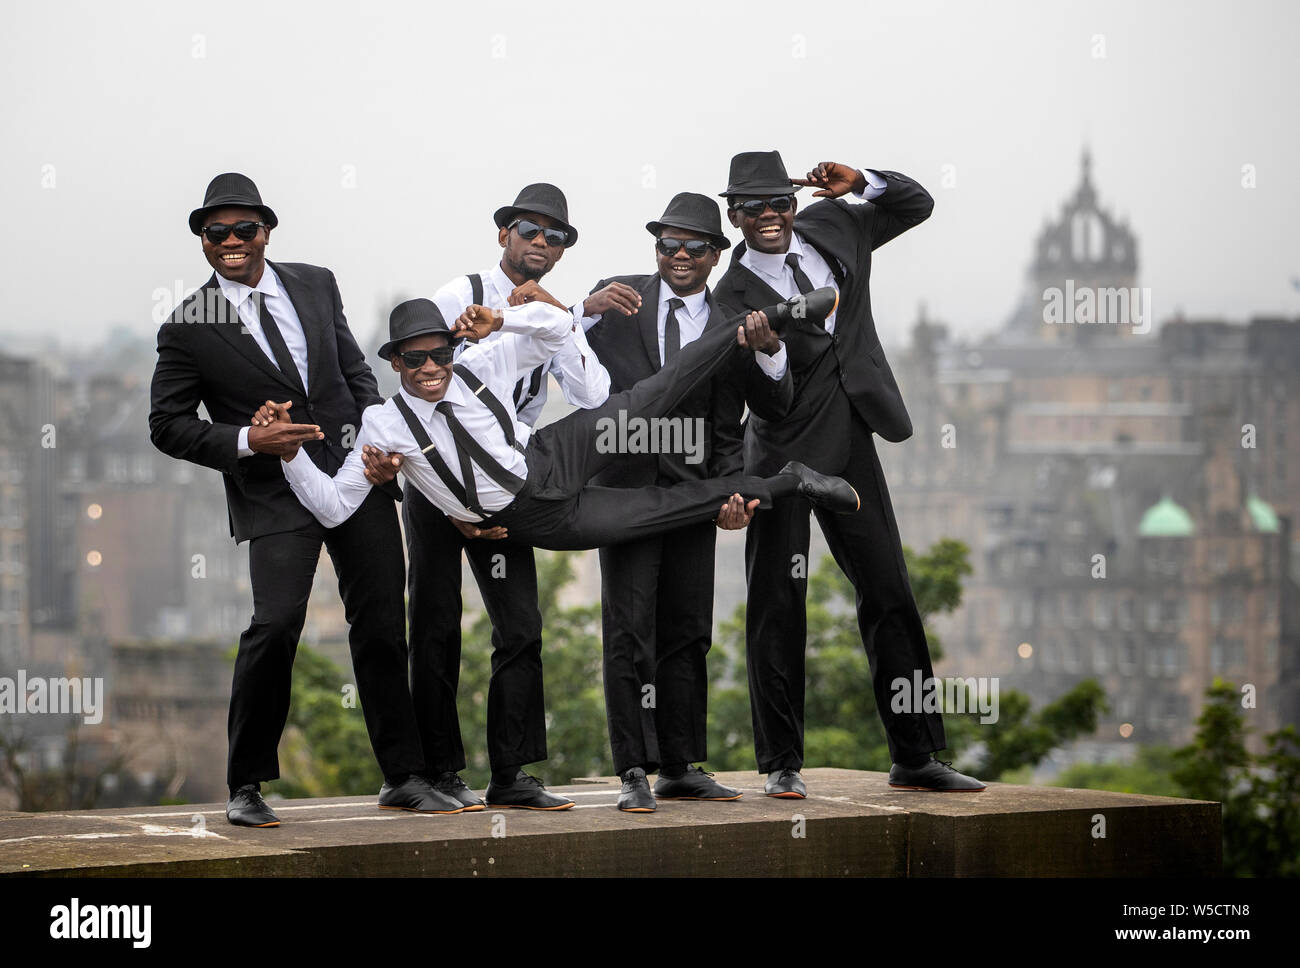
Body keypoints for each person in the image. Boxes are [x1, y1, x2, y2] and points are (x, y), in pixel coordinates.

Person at [148, 173, 466, 826]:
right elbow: (167, 423)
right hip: (274, 492)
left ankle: (403, 776)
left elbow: (353, 371)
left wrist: (378, 440)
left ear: (267, 230)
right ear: (202, 241)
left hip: (356, 477)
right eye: (217, 232)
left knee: (382, 625)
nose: (232, 241)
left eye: (245, 229)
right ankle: (246, 785)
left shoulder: (316, 284)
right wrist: (248, 440)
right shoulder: (186, 327)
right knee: (276, 623)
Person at [711, 151, 986, 796]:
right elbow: (763, 399)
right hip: (782, 456)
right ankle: (782, 765)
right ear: (734, 216)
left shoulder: (835, 225)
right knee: (779, 607)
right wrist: (771, 354)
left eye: (778, 201)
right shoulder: (730, 299)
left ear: (794, 201)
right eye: (752, 208)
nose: (769, 216)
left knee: (889, 589)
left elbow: (915, 205)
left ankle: (915, 756)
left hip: (856, 434)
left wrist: (862, 182)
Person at [264, 291, 857, 565]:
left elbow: (553, 327)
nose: (428, 370)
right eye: (413, 360)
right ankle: (793, 483)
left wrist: (501, 318)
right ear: (394, 363)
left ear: (450, 351)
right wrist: (290, 456)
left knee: (658, 391)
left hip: (554, 453)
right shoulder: (383, 423)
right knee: (667, 507)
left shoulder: (477, 364)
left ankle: (778, 313)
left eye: (437, 356)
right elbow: (334, 508)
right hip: (533, 517)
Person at [395, 183, 610, 812]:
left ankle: (511, 774)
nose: (540, 242)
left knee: (520, 628)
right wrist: (458, 505)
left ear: (564, 251)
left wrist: (558, 318)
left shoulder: (551, 312)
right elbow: (418, 389)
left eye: (555, 235)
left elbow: (594, 395)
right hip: (438, 486)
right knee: (434, 628)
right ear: (502, 236)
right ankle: (436, 771)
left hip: (507, 490)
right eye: (528, 229)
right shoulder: (457, 297)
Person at [576, 192, 791, 812]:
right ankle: (633, 770)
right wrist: (580, 310)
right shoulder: (615, 300)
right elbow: (558, 350)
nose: (679, 255)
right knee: (628, 632)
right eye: (668, 244)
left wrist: (772, 350)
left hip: (697, 495)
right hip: (627, 494)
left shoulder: (736, 320)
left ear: (717, 254)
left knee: (689, 630)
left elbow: (751, 415)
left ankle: (681, 763)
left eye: (695, 245)